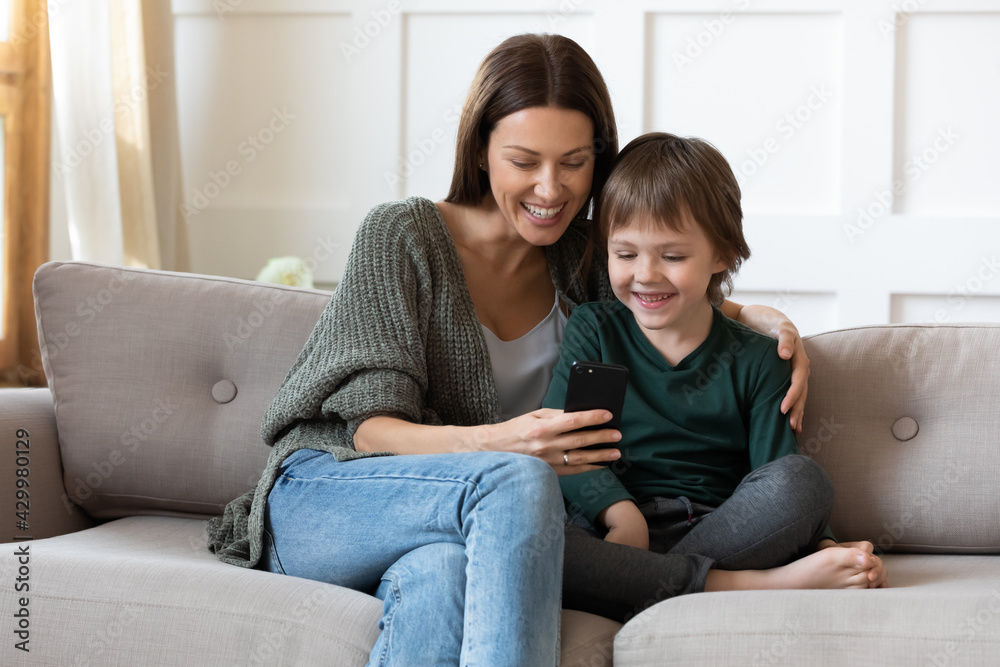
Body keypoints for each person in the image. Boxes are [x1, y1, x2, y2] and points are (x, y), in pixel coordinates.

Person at [207, 34, 815, 666]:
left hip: (458, 523)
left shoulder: (583, 258)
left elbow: (665, 291)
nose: (549, 189)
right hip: (329, 497)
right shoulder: (403, 236)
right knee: (519, 482)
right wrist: (504, 443)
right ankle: (699, 581)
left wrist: (761, 320)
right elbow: (368, 431)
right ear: (480, 153)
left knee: (442, 577)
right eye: (524, 161)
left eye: (574, 162)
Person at [543, 132, 888, 623]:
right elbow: (570, 448)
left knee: (803, 481)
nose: (645, 274)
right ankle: (748, 586)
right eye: (625, 254)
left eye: (673, 256)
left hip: (720, 529)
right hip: (612, 528)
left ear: (722, 254)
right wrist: (622, 515)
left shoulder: (759, 358)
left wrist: (829, 547)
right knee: (537, 548)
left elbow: (777, 472)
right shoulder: (595, 330)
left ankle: (644, 581)